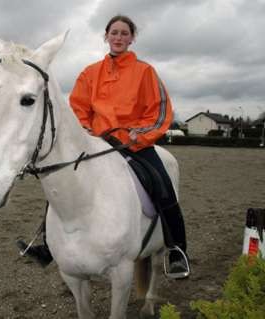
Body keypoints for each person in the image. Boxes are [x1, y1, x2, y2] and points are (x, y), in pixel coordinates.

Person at [17, 14, 190, 279]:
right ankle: (47, 245)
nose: (119, 37)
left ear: (132, 38)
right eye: (114, 33)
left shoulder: (145, 72)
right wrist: (85, 131)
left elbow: (159, 112)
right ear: (106, 37)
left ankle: (177, 249)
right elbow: (78, 108)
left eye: (124, 33)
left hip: (135, 144)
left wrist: (138, 134)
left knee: (163, 186)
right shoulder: (90, 73)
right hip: (97, 144)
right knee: (62, 185)